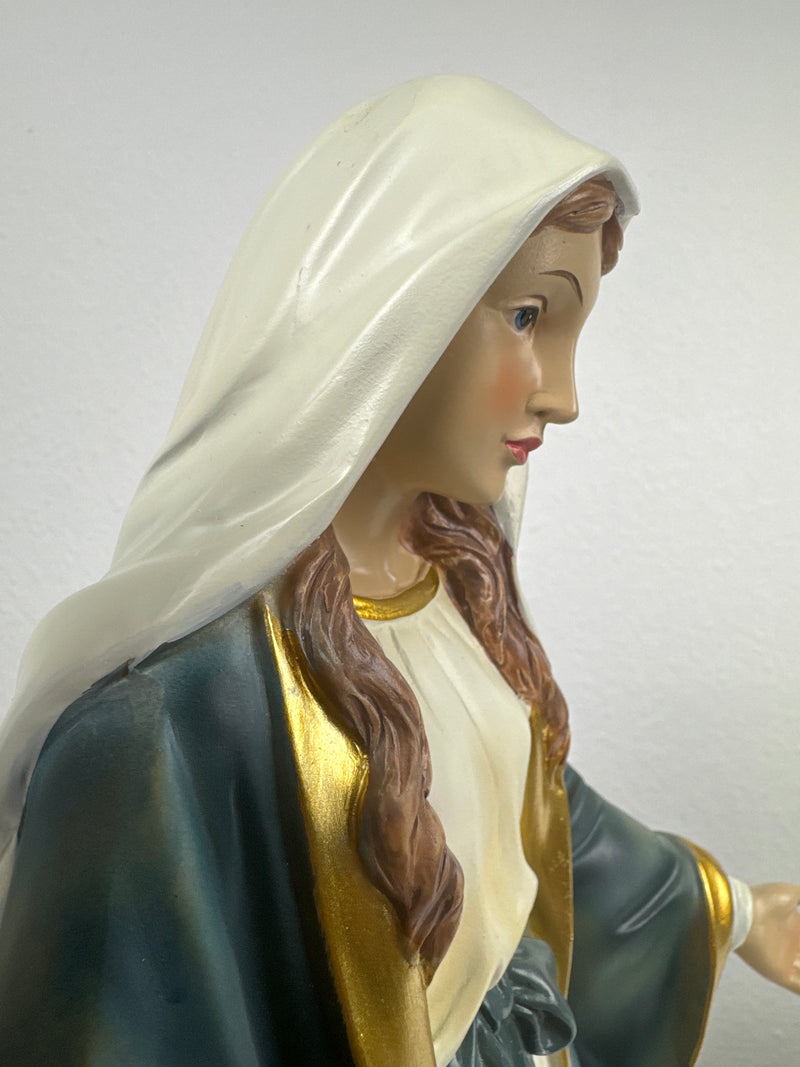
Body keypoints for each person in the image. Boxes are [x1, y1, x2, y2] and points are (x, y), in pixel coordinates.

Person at [0, 75, 797, 1067]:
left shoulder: (460, 592)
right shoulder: (174, 721)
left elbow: (535, 821)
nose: (564, 396)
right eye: (528, 317)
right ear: (390, 312)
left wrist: (735, 909)